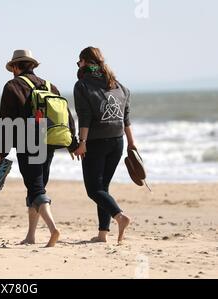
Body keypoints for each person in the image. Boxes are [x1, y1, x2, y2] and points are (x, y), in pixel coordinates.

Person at [0, 49, 77, 247]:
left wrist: (2, 151)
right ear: (32, 65)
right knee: (35, 187)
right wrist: (72, 143)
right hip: (50, 139)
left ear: (16, 67)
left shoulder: (12, 86)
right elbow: (66, 115)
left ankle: (53, 229)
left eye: (12, 68)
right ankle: (31, 236)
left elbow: (6, 121)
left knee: (36, 188)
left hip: (28, 140)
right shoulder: (50, 86)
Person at [73, 46, 134, 244]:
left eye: (79, 62)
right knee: (103, 188)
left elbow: (85, 116)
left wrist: (82, 142)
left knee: (93, 189)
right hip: (118, 142)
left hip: (96, 143)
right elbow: (125, 118)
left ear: (84, 62)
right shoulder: (118, 85)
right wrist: (132, 144)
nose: (78, 65)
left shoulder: (82, 85)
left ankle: (120, 217)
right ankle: (102, 234)